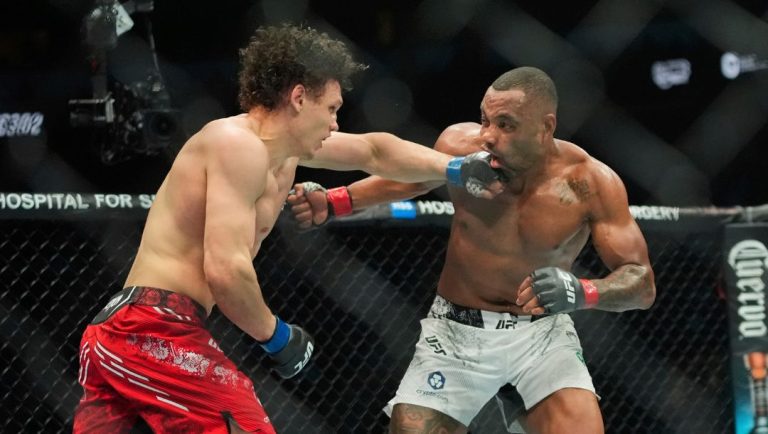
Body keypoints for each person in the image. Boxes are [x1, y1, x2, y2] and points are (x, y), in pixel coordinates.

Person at [72, 24, 505, 434]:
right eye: (332, 108)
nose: (336, 122)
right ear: (299, 97)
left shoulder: (285, 153)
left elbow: (375, 151)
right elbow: (225, 268)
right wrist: (276, 335)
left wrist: (453, 167)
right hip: (154, 327)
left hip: (128, 333)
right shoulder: (236, 144)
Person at [287, 66, 657, 434]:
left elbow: (641, 284)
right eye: (485, 120)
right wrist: (335, 201)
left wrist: (584, 291)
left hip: (542, 336)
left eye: (506, 125)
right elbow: (410, 179)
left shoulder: (589, 182)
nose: (488, 136)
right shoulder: (460, 148)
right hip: (456, 331)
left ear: (546, 127)